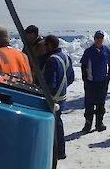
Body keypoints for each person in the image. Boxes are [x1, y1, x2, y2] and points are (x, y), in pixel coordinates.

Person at [42, 35, 75, 164]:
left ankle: (58, 152)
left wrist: (48, 96)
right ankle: (61, 151)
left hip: (53, 99)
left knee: (53, 127)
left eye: (45, 44)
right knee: (58, 124)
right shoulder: (65, 57)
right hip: (62, 97)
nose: (43, 47)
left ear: (50, 45)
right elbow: (71, 77)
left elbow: (51, 83)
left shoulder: (51, 60)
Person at [80, 30, 110, 133]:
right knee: (89, 104)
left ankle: (99, 123)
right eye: (97, 38)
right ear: (94, 39)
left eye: (101, 38)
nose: (99, 40)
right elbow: (83, 66)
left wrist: (107, 79)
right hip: (91, 82)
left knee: (101, 104)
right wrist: (85, 80)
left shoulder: (107, 51)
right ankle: (88, 124)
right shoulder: (88, 51)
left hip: (102, 82)